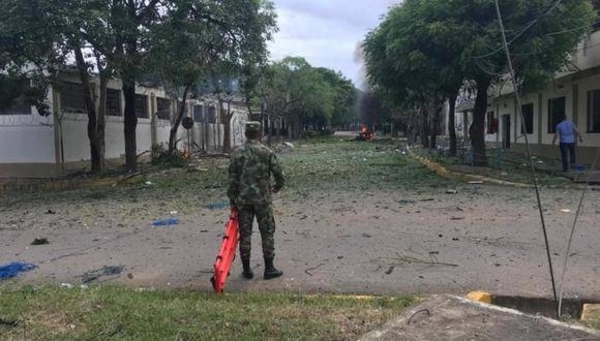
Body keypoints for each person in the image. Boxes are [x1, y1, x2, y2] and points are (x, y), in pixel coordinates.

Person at [227, 121, 285, 280]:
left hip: (243, 200)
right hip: (263, 200)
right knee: (267, 232)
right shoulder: (266, 152)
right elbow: (278, 173)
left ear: (245, 134)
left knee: (245, 233)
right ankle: (269, 268)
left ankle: (247, 270)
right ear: (260, 133)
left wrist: (233, 200)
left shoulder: (237, 153)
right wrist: (278, 186)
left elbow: (232, 180)